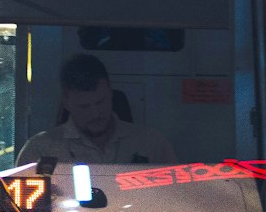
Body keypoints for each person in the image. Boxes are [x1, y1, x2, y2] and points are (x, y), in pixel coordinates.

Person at [17, 53, 176, 167]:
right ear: (66, 103)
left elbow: (174, 198)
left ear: (110, 92)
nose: (95, 113)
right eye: (84, 107)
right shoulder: (41, 150)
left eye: (101, 102)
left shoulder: (151, 144)